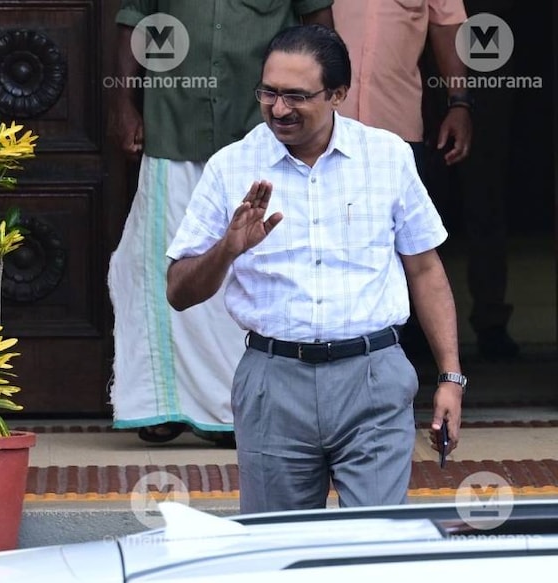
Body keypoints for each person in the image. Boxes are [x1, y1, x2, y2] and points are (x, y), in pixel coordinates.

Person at [165, 25, 465, 512]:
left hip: (373, 377)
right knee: (277, 552)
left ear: (338, 95)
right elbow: (179, 290)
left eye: (296, 96)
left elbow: (426, 271)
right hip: (273, 382)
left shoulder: (388, 157)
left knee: (375, 547)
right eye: (269, 93)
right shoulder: (230, 167)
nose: (279, 109)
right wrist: (228, 249)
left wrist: (450, 377)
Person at [108, 0, 334, 446]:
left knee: (256, 270)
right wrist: (124, 104)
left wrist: (316, 119)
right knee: (162, 265)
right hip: (174, 129)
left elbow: (321, 35)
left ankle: (237, 407)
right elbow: (135, 22)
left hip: (260, 136)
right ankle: (159, 406)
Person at [333, 0, 518, 360]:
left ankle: (400, 357)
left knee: (408, 249)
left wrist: (460, 103)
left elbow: (447, 25)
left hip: (397, 130)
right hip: (323, 129)